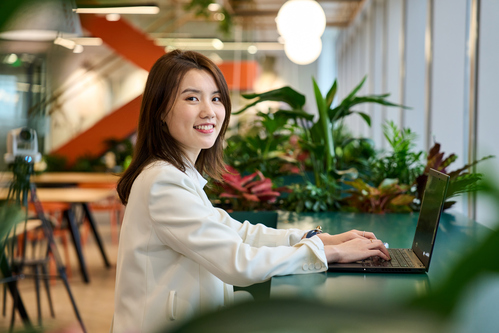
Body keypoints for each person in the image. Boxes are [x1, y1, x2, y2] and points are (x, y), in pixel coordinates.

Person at [110, 50, 390, 333]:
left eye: (216, 98)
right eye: (192, 98)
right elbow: (238, 262)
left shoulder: (178, 174)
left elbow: (238, 232)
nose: (209, 111)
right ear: (160, 110)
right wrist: (330, 254)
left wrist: (319, 239)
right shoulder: (164, 182)